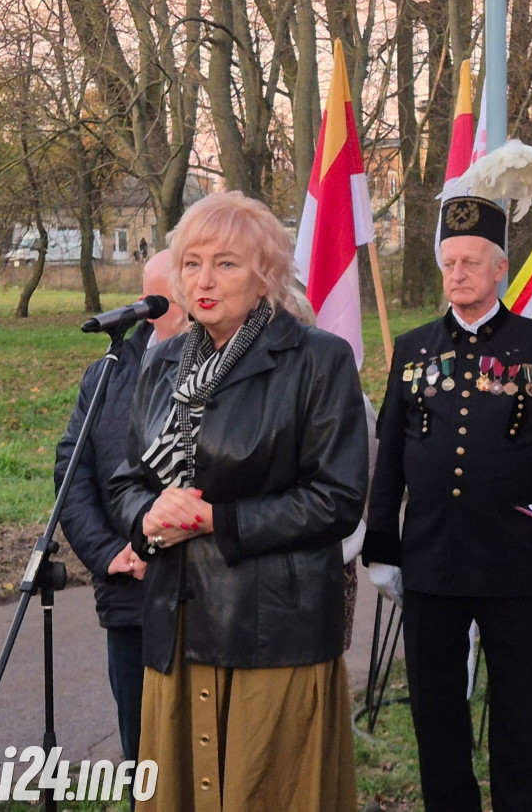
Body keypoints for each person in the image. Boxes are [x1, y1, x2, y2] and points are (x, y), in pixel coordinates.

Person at [108, 191, 367, 810]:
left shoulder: (317, 359)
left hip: (273, 629)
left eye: (225, 263)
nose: (203, 279)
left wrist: (217, 520)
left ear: (266, 276)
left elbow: (338, 499)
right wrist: (149, 514)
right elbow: (126, 477)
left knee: (266, 790)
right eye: (191, 262)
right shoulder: (164, 359)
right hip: (177, 620)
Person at [364, 192, 532, 812]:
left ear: (499, 269)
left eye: (469, 262)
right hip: (432, 562)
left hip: (512, 562)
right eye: (448, 263)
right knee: (437, 714)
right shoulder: (413, 349)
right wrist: (383, 541)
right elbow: (393, 457)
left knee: (518, 710)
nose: (456, 275)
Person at [55, 250, 188, 787]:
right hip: (129, 595)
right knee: (144, 758)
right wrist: (111, 553)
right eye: (156, 299)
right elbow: (73, 470)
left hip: (203, 596)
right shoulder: (108, 372)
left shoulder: (222, 369)